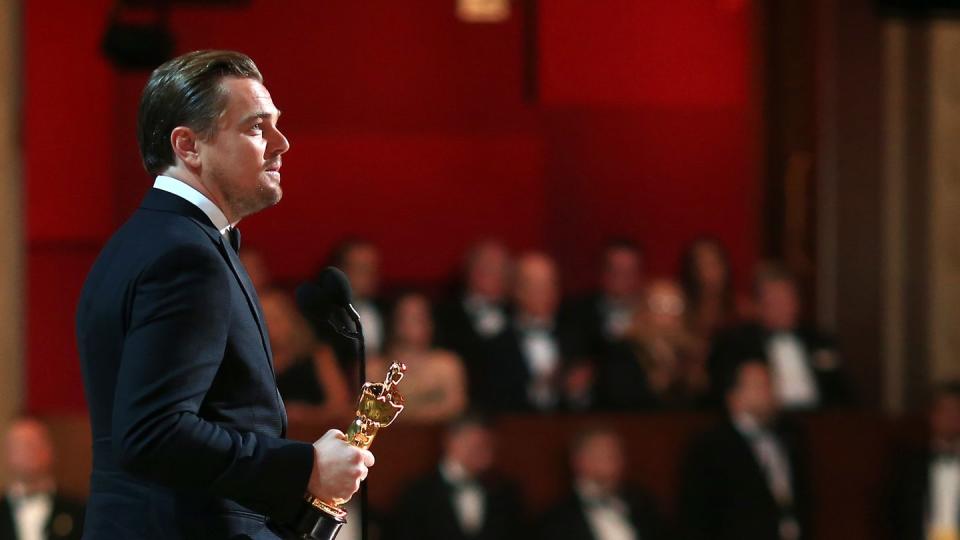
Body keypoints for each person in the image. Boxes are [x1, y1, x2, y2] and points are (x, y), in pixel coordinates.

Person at [75, 50, 374, 539]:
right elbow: (154, 433)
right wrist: (306, 467)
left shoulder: (145, 240)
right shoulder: (185, 255)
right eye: (258, 128)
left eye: (276, 124)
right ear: (189, 146)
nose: (282, 143)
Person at [679, 361, 812, 540]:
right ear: (733, 396)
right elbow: (698, 515)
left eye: (771, 384)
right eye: (759, 385)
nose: (769, 392)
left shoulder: (790, 437)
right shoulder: (711, 447)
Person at [707, 263, 850, 410]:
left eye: (788, 298)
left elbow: (844, 394)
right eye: (775, 300)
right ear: (758, 305)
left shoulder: (819, 340)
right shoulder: (736, 344)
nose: (784, 307)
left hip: (823, 423)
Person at [480, 253, 587, 412]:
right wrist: (540, 387)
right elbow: (492, 402)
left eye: (551, 284)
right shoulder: (495, 345)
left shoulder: (577, 337)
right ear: (516, 290)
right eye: (535, 285)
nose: (546, 292)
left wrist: (577, 391)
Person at [389, 416, 526, 540]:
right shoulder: (416, 494)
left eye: (489, 444)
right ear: (450, 440)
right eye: (477, 445)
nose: (485, 451)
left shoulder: (506, 493)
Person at [537, 427, 667, 540]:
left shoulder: (644, 504)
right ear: (579, 461)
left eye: (617, 454)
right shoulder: (556, 519)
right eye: (604, 454)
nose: (615, 462)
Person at [594, 280, 707, 410]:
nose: (667, 314)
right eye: (658, 306)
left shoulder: (694, 353)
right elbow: (616, 399)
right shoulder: (622, 351)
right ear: (643, 311)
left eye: (675, 306)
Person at [369, 291, 467, 423]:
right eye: (407, 317)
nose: (414, 322)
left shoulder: (448, 365)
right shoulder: (374, 368)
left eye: (420, 316)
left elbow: (456, 407)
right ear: (393, 322)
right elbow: (369, 412)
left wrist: (413, 416)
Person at [434, 240, 513, 400]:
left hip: (515, 413)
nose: (494, 275)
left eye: (501, 269)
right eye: (486, 267)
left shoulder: (517, 314)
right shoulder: (444, 315)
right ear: (469, 270)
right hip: (460, 410)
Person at [262, 292, 352, 425]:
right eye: (264, 320)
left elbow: (341, 406)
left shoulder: (318, 356)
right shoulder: (251, 362)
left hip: (316, 434)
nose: (271, 327)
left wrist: (308, 415)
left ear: (291, 319)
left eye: (276, 319)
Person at [890, 382, 960, 540]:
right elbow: (895, 516)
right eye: (944, 410)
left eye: (957, 410)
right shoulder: (909, 465)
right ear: (932, 416)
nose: (951, 418)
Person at [0, 418, 85, 540]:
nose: (27, 452)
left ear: (50, 451)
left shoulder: (79, 512)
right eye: (19, 446)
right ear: (7, 455)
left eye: (32, 444)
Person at [566, 239, 644, 359]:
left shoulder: (649, 312)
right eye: (615, 271)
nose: (621, 279)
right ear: (602, 271)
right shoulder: (577, 311)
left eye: (628, 272)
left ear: (639, 275)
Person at [678, 237, 747, 340]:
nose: (711, 272)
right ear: (692, 270)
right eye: (702, 264)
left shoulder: (743, 310)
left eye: (714, 263)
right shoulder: (681, 309)